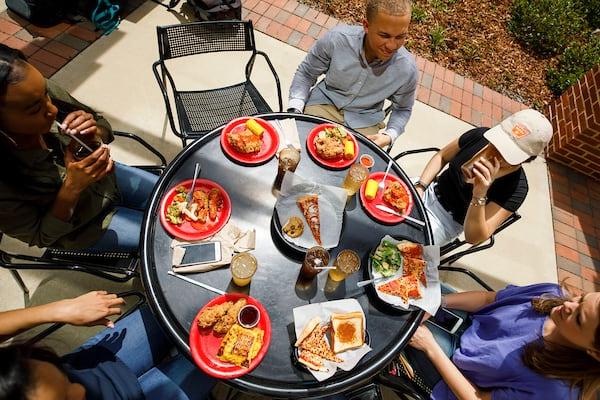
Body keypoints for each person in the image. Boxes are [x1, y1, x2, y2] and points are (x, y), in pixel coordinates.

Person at [0, 43, 158, 252]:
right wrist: (72, 189)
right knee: (161, 238)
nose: (53, 109)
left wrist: (94, 133)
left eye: (46, 94)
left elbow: (102, 125)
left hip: (110, 180)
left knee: (178, 197)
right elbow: (40, 237)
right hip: (87, 228)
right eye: (35, 109)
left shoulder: (36, 92)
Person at [0, 290, 216, 400]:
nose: (79, 389)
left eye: (64, 379)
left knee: (182, 304)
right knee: (218, 355)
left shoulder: (78, 384)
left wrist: (61, 310)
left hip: (97, 364)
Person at [402, 283, 600, 399]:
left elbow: (477, 397)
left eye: (579, 319)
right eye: (581, 298)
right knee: (410, 288)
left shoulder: (554, 390)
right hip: (468, 322)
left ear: (594, 352)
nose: (567, 304)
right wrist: (439, 301)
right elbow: (489, 299)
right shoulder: (552, 293)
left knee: (397, 322)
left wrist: (430, 348)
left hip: (453, 374)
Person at [288, 0, 417, 148]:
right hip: (323, 105)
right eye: (384, 35)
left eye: (400, 37)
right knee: (296, 152)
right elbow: (306, 73)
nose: (392, 45)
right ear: (366, 26)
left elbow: (403, 108)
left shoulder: (406, 69)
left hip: (365, 122)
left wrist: (389, 135)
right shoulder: (337, 39)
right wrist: (295, 108)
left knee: (355, 171)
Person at [413, 109, 553, 246]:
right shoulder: (480, 136)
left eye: (508, 152)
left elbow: (473, 237)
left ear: (526, 159)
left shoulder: (516, 188)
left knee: (398, 249)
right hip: (428, 189)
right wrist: (421, 186)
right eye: (499, 142)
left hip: (445, 223)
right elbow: (442, 156)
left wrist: (479, 194)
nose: (499, 150)